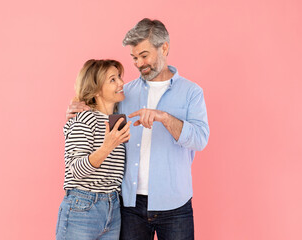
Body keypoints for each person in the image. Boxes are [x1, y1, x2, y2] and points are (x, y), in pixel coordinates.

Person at [66, 18, 209, 240]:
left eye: (144, 55)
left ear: (164, 47)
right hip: (129, 205)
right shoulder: (124, 94)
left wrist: (164, 117)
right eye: (134, 58)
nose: (139, 63)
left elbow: (200, 139)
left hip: (175, 205)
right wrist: (75, 110)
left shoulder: (192, 92)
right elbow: (96, 113)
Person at [56, 59, 132, 240]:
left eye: (119, 77)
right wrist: (107, 147)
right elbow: (75, 170)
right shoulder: (84, 120)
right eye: (112, 80)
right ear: (97, 90)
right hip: (82, 207)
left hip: (113, 208)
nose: (121, 83)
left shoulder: (116, 120)